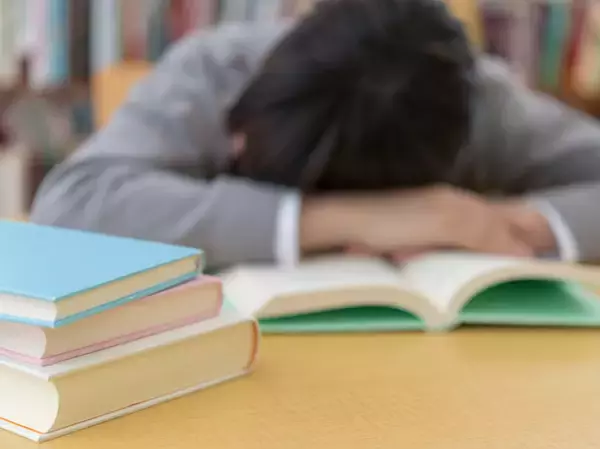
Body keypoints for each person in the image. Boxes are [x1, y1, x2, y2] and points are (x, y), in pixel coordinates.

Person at [30, 0, 600, 271]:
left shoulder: (478, 101)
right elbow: (70, 204)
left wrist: (500, 221)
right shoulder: (215, 72)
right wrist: (347, 219)